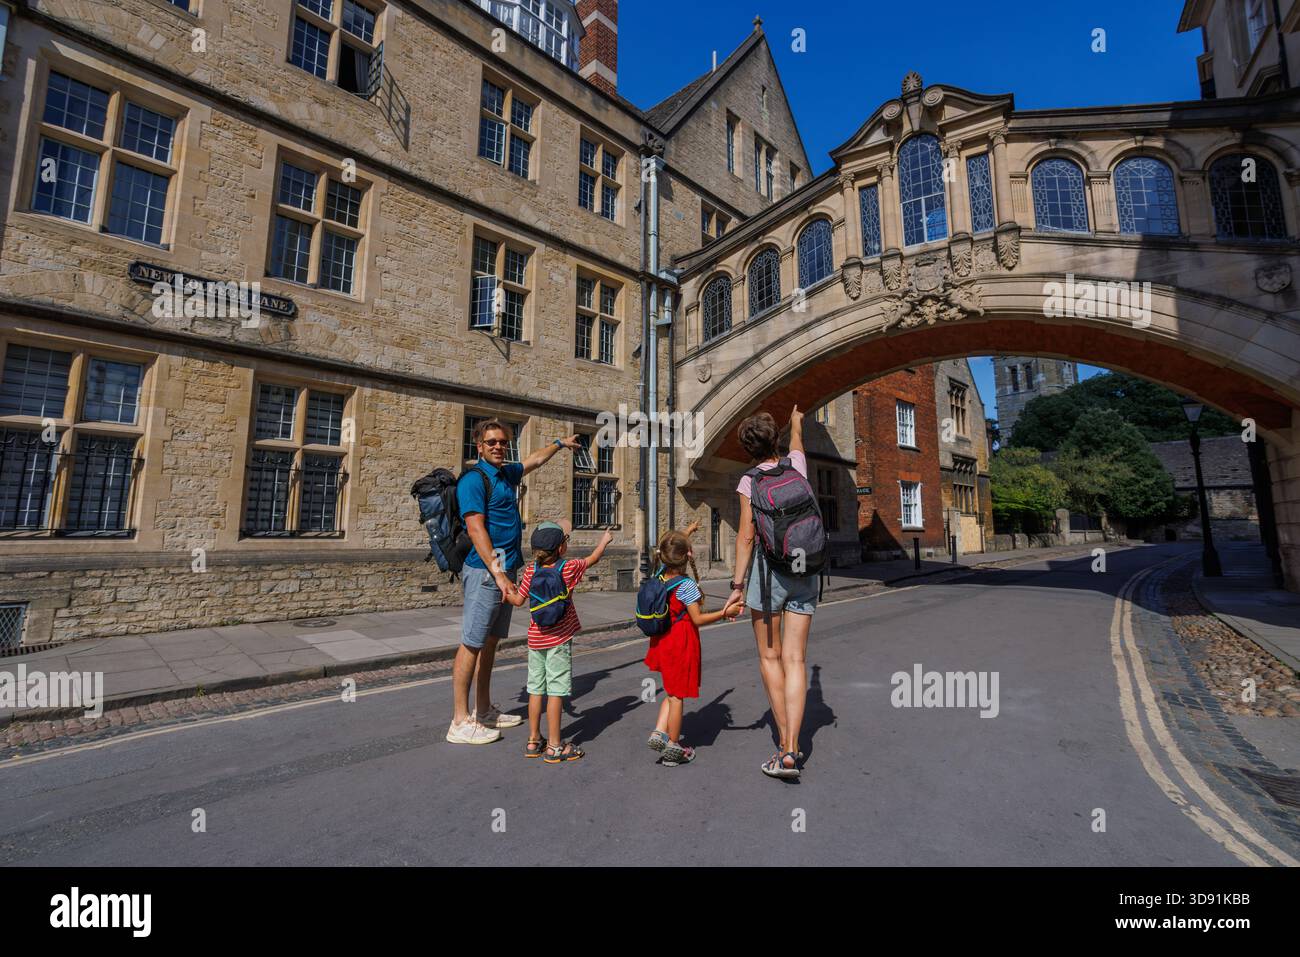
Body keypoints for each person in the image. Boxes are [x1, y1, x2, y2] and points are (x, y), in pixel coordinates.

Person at [446, 421, 583, 745]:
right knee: (472, 642)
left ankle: (483, 710)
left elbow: (534, 459)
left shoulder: (506, 474)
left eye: (503, 442)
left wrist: (560, 444)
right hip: (485, 573)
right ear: (478, 445)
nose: (498, 447)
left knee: (491, 642)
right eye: (491, 442)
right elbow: (477, 529)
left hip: (504, 572)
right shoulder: (473, 481)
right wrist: (499, 574)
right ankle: (459, 720)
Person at [727, 407, 818, 779]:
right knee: (796, 660)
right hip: (806, 567)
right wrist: (796, 423)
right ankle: (794, 746)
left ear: (747, 448)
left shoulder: (749, 482)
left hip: (769, 577)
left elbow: (747, 536)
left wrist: (736, 586)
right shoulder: (797, 467)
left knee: (770, 656)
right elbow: (798, 444)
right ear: (776, 441)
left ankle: (786, 747)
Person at [503, 520, 613, 763]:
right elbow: (592, 558)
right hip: (558, 640)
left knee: (535, 689)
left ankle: (533, 740)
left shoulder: (531, 570)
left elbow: (518, 600)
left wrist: (505, 587)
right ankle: (554, 746)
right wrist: (604, 541)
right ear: (561, 549)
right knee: (555, 691)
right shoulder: (569, 568)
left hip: (535, 638)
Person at [645, 529, 744, 767]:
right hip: (681, 642)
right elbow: (697, 619)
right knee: (677, 696)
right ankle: (674, 745)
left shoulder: (660, 576)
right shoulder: (686, 585)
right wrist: (724, 612)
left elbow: (669, 545)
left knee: (670, 690)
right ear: (687, 556)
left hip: (662, 641)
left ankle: (659, 731)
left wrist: (684, 534)